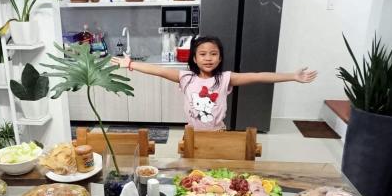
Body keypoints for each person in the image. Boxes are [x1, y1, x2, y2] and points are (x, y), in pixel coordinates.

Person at [110, 36, 317, 130]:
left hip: (218, 133)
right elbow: (158, 71)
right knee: (193, 175)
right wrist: (130, 64)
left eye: (213, 54)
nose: (208, 58)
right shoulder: (186, 78)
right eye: (202, 54)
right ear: (194, 58)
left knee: (215, 173)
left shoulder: (225, 78)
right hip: (191, 133)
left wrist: (292, 76)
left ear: (219, 58)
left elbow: (258, 75)